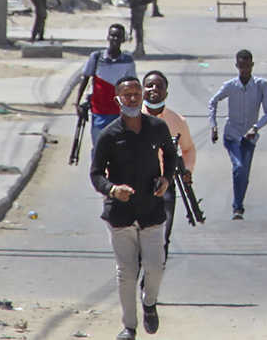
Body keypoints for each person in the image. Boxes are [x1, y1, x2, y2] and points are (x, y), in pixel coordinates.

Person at [91, 75, 181, 340]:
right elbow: (96, 174)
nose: (132, 99)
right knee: (126, 274)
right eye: (127, 95)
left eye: (136, 94)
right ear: (118, 100)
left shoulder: (157, 127)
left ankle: (150, 304)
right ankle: (129, 327)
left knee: (156, 267)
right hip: (120, 216)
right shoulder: (109, 136)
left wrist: (167, 179)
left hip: (152, 211)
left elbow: (172, 156)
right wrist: (112, 190)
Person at [208, 49, 267, 220]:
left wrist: (256, 127)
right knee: (239, 167)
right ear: (237, 66)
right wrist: (213, 126)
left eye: (247, 66)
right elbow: (213, 102)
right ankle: (237, 208)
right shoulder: (230, 85)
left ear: (252, 65)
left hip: (249, 137)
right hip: (232, 135)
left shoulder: (261, 85)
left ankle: (239, 204)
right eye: (241, 66)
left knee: (244, 173)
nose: (244, 70)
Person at [142, 70, 197, 257]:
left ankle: (150, 281)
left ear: (166, 92)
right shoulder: (129, 120)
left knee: (163, 238)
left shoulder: (177, 121)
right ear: (142, 90)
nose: (154, 89)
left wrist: (188, 170)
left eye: (159, 86)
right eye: (149, 85)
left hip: (166, 185)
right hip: (138, 185)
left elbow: (188, 149)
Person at [74, 24, 137, 133]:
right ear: (108, 37)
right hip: (99, 111)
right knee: (99, 147)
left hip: (119, 113)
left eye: (118, 36)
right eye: (112, 36)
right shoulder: (96, 57)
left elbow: (133, 86)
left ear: (123, 39)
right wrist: (78, 103)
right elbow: (85, 79)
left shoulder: (128, 61)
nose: (115, 39)